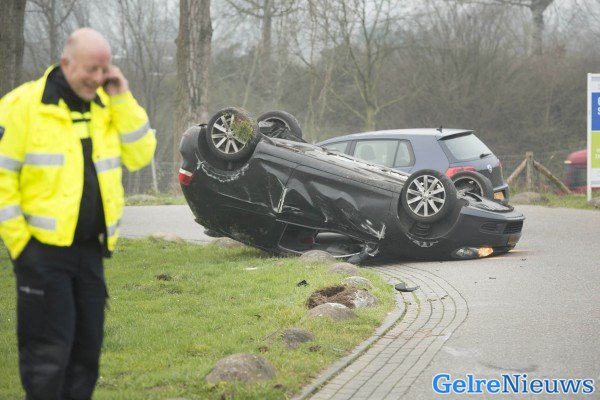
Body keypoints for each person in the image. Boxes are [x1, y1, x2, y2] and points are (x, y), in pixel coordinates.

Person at [0, 28, 156, 399]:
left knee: (86, 356)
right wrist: (22, 246)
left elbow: (140, 155)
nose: (97, 77)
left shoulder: (107, 105)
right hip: (41, 254)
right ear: (66, 63)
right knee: (48, 360)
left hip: (90, 253)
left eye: (104, 69)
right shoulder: (22, 105)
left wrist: (122, 98)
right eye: (90, 69)